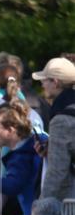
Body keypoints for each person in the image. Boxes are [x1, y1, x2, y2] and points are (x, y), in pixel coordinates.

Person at [35, 57, 75, 201]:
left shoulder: (60, 120)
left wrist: (40, 209)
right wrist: (50, 149)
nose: (42, 84)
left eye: (45, 80)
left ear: (56, 82)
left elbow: (57, 172)